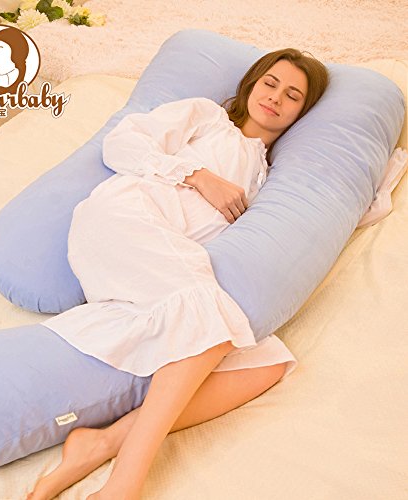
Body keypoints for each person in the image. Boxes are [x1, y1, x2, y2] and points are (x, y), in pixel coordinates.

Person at [27, 48, 329, 500]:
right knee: (205, 317)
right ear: (252, 84)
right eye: (270, 83)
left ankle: (105, 442)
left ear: (303, 113)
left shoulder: (270, 178)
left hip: (166, 260)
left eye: (292, 95)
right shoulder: (207, 118)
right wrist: (199, 176)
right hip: (125, 218)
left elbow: (322, 212)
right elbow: (121, 143)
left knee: (265, 362)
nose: (275, 98)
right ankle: (125, 483)